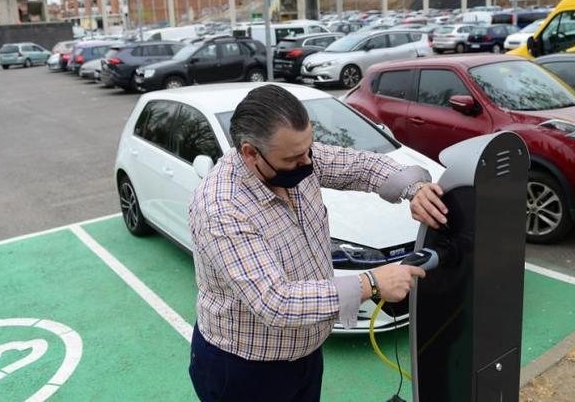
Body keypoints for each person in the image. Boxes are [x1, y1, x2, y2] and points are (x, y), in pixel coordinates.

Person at [187, 85, 449, 402]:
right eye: (294, 158)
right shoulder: (221, 207)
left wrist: (415, 188)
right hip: (245, 369)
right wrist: (371, 282)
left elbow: (361, 166)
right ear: (250, 153)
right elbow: (275, 301)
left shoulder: (297, 157)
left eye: (309, 149)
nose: (308, 162)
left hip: (305, 354)